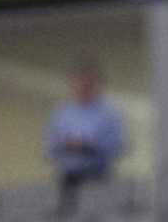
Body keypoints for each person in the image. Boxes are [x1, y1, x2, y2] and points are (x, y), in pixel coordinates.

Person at [44, 60, 127, 196]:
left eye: (89, 83)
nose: (83, 87)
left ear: (98, 84)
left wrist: (90, 147)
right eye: (79, 82)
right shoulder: (61, 114)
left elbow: (118, 147)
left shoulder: (110, 114)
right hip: (68, 178)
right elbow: (49, 148)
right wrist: (67, 146)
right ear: (72, 84)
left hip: (100, 176)